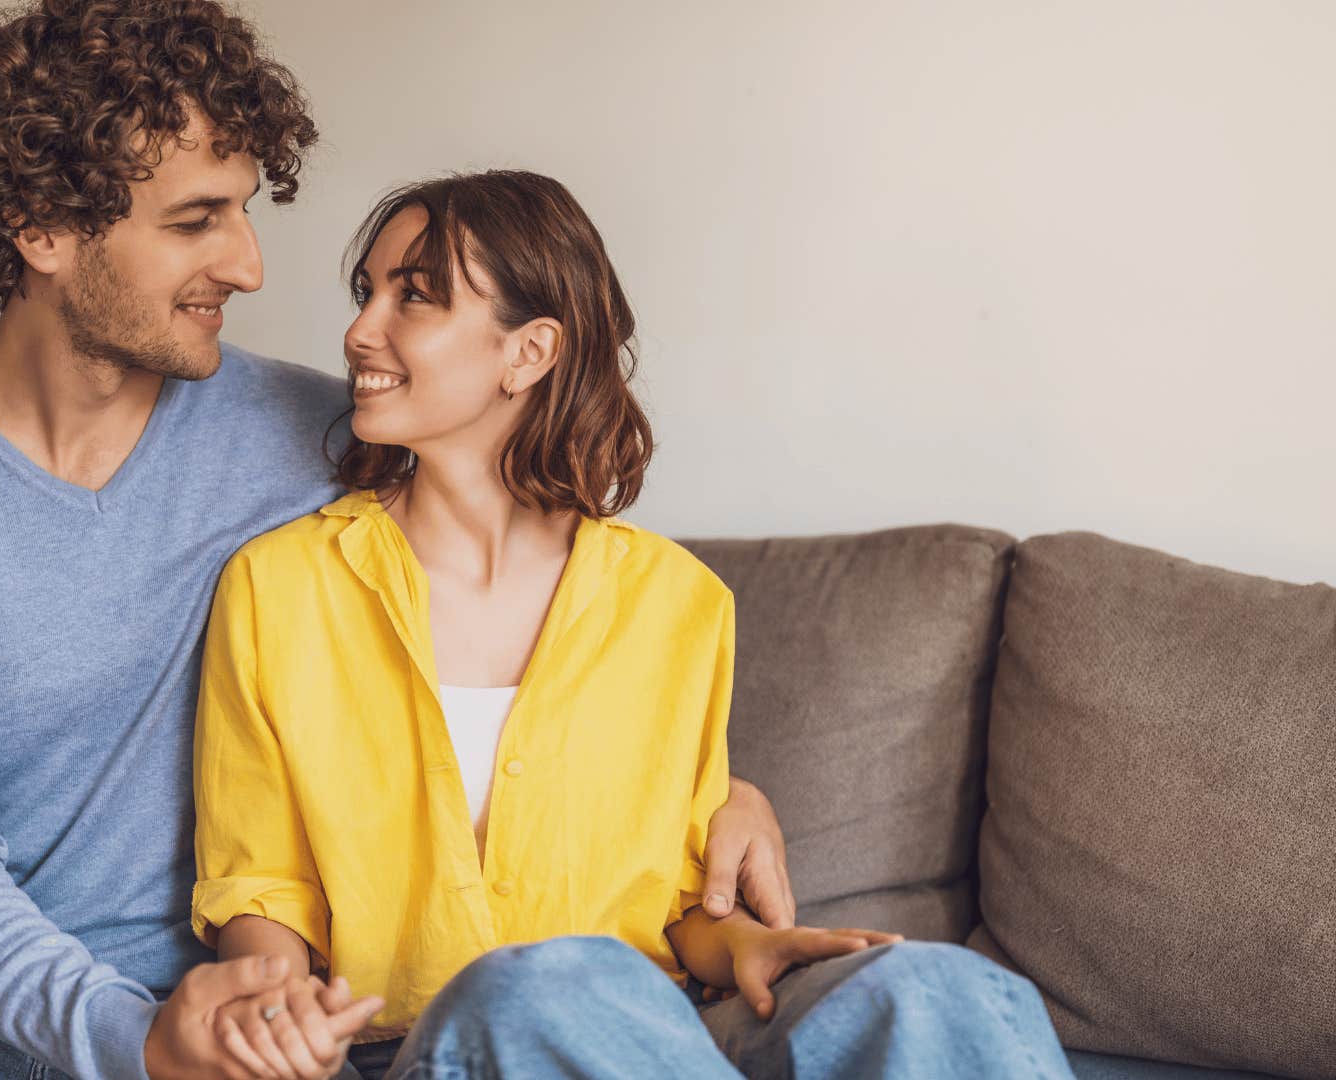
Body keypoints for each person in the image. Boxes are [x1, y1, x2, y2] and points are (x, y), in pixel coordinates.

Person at [0, 4, 794, 1079]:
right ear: (43, 229)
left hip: (296, 1018)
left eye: (247, 213)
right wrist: (134, 1042)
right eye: (199, 220)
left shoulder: (326, 426)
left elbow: (554, 593)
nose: (252, 266)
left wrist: (720, 797)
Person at [190, 170, 1076, 1080]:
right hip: (419, 1046)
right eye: (366, 292)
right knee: (539, 986)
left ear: (528, 353)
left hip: (655, 1040)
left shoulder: (676, 601)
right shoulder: (279, 586)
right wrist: (276, 1015)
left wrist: (744, 949)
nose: (359, 330)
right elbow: (261, 883)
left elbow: (682, 898)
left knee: (938, 988)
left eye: (413, 295)